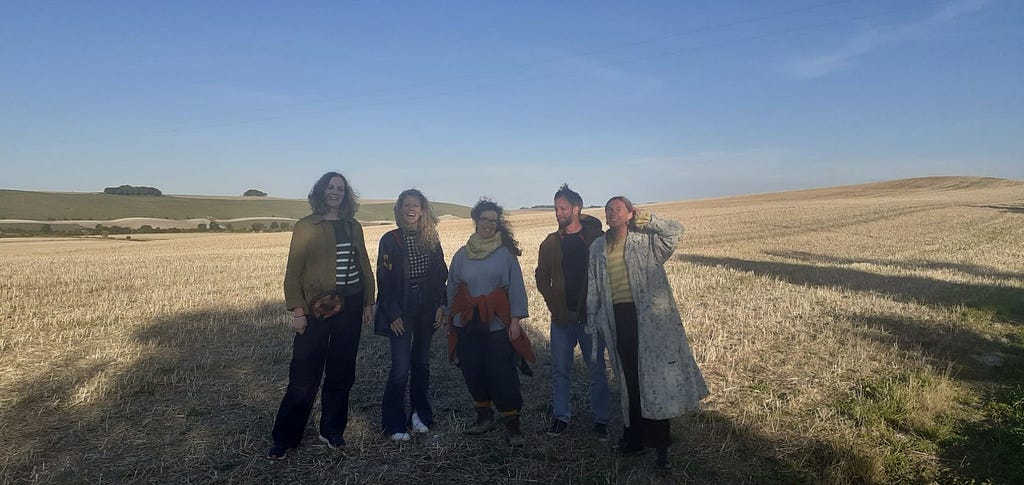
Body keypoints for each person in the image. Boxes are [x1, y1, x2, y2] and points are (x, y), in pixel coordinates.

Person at [586, 196, 708, 472]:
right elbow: (593, 284)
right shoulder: (597, 247)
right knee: (629, 380)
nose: (612, 213)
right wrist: (593, 318)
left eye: (618, 209)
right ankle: (634, 438)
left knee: (653, 382)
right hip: (617, 320)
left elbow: (675, 231)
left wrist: (650, 219)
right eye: (608, 210)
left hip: (648, 321)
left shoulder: (646, 241)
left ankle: (662, 449)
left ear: (630, 213)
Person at [267, 172, 375, 460]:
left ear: (346, 195)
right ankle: (285, 437)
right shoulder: (306, 226)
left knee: (342, 370)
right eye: (331, 187)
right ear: (321, 191)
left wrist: (368, 301)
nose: (335, 192)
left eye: (340, 188)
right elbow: (293, 272)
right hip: (317, 308)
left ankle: (332, 430)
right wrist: (298, 311)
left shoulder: (353, 225)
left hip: (351, 305)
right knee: (304, 374)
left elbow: (363, 263)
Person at [446, 199, 530, 445]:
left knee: (502, 373)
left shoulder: (505, 254)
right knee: (473, 370)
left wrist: (515, 320)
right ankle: (484, 417)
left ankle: (513, 426)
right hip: (467, 324)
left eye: (493, 221)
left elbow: (516, 287)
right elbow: (452, 287)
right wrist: (450, 318)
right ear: (476, 221)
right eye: (484, 220)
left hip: (496, 325)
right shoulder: (461, 255)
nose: (488, 225)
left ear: (497, 224)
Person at [535, 183, 610, 439]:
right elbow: (541, 276)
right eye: (556, 208)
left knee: (597, 370)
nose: (558, 213)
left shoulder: (595, 239)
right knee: (560, 369)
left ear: (576, 209)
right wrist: (554, 306)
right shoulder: (551, 242)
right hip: (562, 318)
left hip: (590, 318)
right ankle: (561, 416)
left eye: (563, 208)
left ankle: (601, 419)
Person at [374, 189, 449, 442]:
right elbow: (383, 280)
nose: (411, 209)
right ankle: (393, 422)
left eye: (415, 205)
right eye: (406, 204)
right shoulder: (390, 239)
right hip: (401, 310)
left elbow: (441, 275)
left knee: (422, 364)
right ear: (399, 209)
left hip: (426, 308)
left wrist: (441, 304)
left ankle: (420, 415)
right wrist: (393, 313)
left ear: (422, 210)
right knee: (400, 368)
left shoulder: (431, 238)